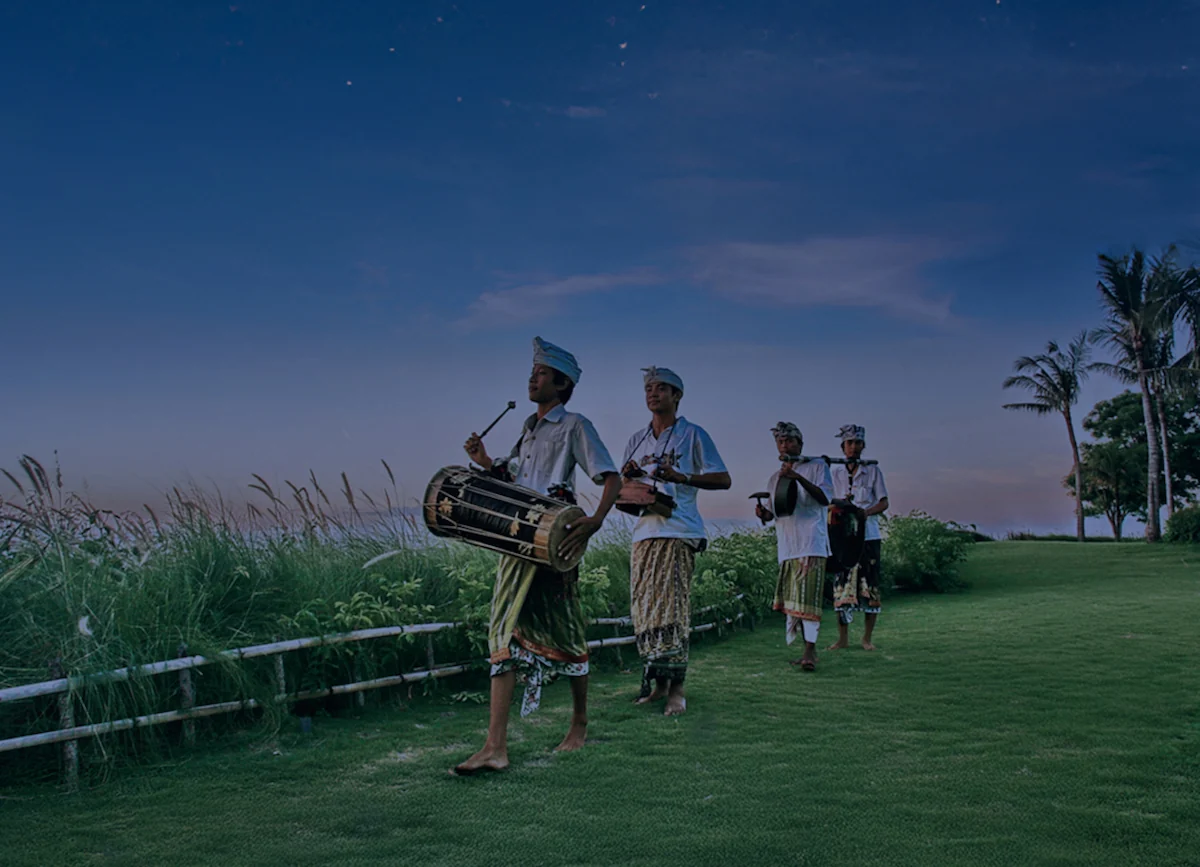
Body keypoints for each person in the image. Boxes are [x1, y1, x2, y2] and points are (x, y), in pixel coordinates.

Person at [452, 337, 621, 775]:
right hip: (517, 537)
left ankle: (580, 721)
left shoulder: (575, 426)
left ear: (562, 384)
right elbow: (510, 479)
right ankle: (495, 747)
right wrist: (484, 460)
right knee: (501, 634)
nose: (533, 378)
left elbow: (611, 477)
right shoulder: (526, 428)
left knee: (566, 633)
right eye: (532, 372)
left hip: (553, 538)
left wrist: (596, 520)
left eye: (542, 373)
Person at [621, 366, 731, 716]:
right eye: (649, 388)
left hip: (679, 530)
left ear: (677, 395)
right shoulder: (637, 440)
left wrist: (681, 476)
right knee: (646, 611)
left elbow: (724, 479)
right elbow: (627, 496)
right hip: (644, 534)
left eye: (661, 388)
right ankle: (657, 685)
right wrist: (629, 482)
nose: (653, 394)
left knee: (673, 610)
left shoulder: (693, 434)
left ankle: (677, 690)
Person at [754, 422, 833, 671]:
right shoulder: (774, 479)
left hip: (811, 543)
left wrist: (797, 477)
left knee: (808, 599)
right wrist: (761, 514)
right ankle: (808, 649)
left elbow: (825, 499)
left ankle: (810, 651)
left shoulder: (818, 466)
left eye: (789, 440)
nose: (785, 445)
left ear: (800, 443)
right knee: (793, 602)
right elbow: (773, 514)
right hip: (788, 547)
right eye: (780, 441)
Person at [828, 424, 889, 651]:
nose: (853, 447)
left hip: (869, 534)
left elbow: (883, 502)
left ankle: (866, 638)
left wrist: (866, 513)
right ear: (843, 447)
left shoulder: (873, 471)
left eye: (857, 443)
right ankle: (842, 638)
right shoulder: (835, 473)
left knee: (870, 584)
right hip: (843, 537)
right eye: (849, 443)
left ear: (863, 446)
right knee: (841, 584)